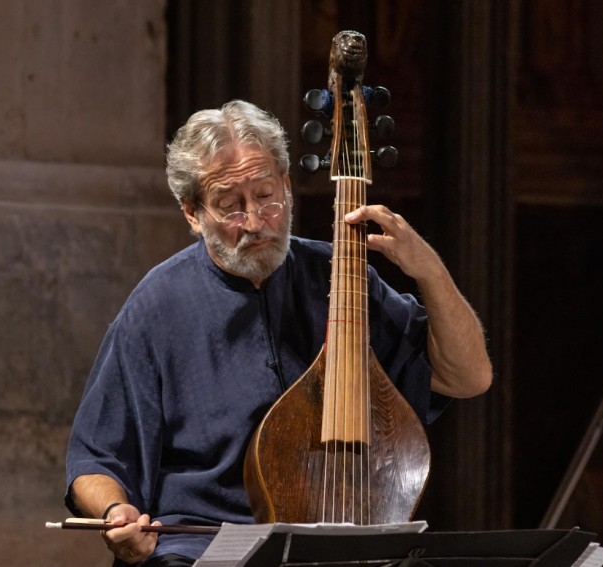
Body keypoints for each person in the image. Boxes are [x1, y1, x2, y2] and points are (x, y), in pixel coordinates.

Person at [64, 100, 492, 567]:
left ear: (287, 185)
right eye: (229, 206)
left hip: (337, 552)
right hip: (202, 548)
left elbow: (468, 377)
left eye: (266, 196)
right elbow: (95, 459)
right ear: (192, 213)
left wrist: (429, 272)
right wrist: (115, 510)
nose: (254, 221)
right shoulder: (157, 306)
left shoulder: (342, 279)